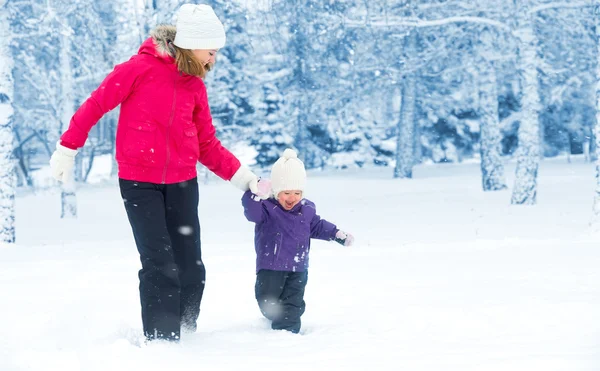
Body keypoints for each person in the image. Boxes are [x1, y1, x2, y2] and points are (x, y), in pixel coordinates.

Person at [49, 4, 260, 342]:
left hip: (182, 184)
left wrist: (246, 178)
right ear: (192, 43)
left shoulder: (194, 86)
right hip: (139, 184)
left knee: (191, 269)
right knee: (160, 266)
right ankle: (163, 345)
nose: (214, 58)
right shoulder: (138, 69)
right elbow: (96, 104)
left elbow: (207, 145)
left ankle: (186, 334)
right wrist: (68, 147)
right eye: (211, 50)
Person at [241, 148, 354, 334]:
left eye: (297, 193)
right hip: (270, 267)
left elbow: (318, 226)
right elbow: (251, 212)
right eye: (286, 193)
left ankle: (287, 333)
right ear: (276, 191)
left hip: (298, 267)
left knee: (292, 302)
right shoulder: (266, 210)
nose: (292, 198)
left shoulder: (306, 210)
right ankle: (276, 314)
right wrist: (255, 193)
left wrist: (337, 234)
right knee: (267, 302)